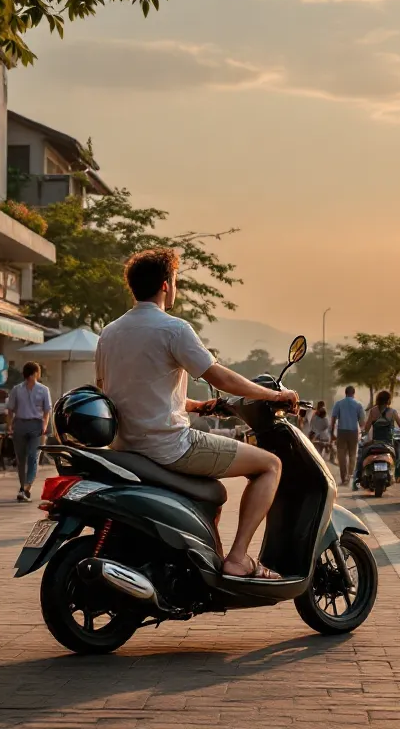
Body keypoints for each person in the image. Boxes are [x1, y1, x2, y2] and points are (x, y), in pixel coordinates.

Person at [96, 248, 297, 581]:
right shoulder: (173, 329)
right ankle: (238, 558)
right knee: (270, 465)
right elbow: (219, 376)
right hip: (170, 445)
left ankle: (207, 558)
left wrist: (193, 405)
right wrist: (275, 395)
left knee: (214, 493)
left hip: (125, 446)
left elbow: (118, 390)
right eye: (175, 281)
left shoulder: (110, 333)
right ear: (165, 284)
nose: (175, 287)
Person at [6, 361, 53, 503]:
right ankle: (23, 487)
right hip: (20, 424)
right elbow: (10, 409)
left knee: (33, 456)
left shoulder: (44, 390)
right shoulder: (17, 389)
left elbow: (47, 410)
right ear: (34, 374)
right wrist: (9, 425)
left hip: (36, 425)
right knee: (21, 458)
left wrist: (44, 424)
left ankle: (26, 487)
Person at [359, 391, 400, 486]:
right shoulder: (392, 412)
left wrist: (363, 434)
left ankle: (359, 476)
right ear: (388, 400)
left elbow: (366, 429)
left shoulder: (373, 411)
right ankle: (398, 476)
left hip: (375, 442)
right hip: (389, 443)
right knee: (399, 458)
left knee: (362, 455)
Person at [330, 386, 365, 486]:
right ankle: (350, 476)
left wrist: (332, 432)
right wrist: (362, 432)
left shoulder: (339, 404)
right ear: (353, 393)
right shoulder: (358, 405)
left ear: (345, 393)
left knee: (341, 455)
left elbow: (333, 418)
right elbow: (362, 422)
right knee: (352, 455)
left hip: (341, 432)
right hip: (353, 432)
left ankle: (343, 477)